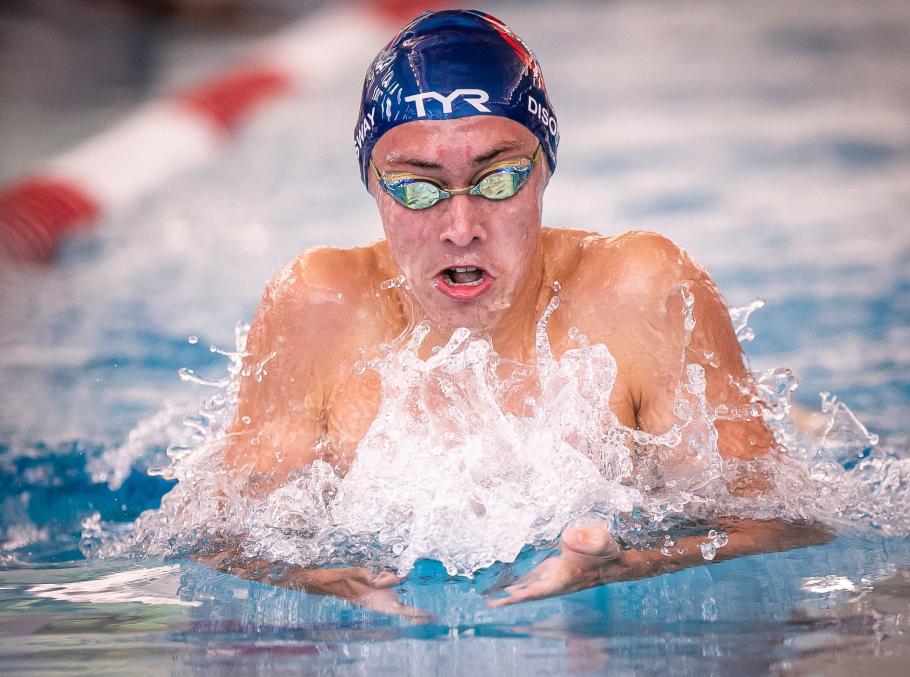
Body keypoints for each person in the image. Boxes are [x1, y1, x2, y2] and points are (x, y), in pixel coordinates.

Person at [199, 9, 830, 617]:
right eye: (417, 189)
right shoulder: (319, 305)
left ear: (544, 173)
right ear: (373, 187)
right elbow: (218, 535)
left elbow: (792, 524)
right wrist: (301, 577)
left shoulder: (638, 293)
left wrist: (637, 563)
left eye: (498, 181)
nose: (461, 227)